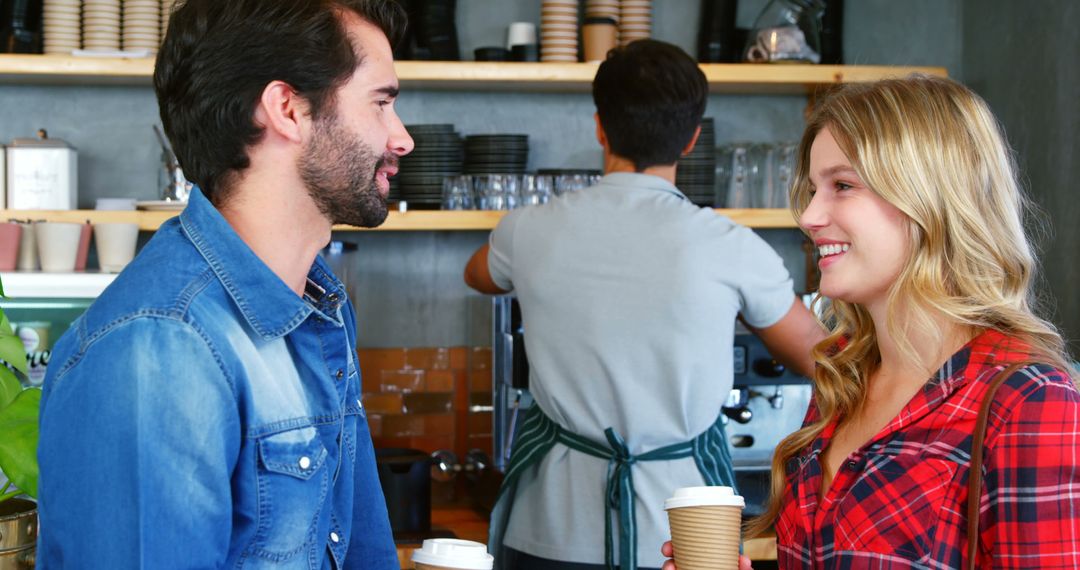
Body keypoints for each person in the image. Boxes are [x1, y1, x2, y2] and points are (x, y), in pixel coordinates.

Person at [37, 0, 413, 567]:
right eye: (381, 103)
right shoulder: (159, 347)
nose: (402, 138)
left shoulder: (317, 306)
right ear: (286, 108)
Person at [663, 74, 1080, 569]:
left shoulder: (1029, 401)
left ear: (929, 199)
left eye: (842, 186)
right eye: (814, 188)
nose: (809, 215)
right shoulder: (843, 376)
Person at [465, 39, 824, 570]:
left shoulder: (527, 231)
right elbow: (826, 360)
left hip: (548, 527)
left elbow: (477, 275)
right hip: (685, 538)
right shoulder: (732, 247)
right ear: (693, 138)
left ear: (599, 127)